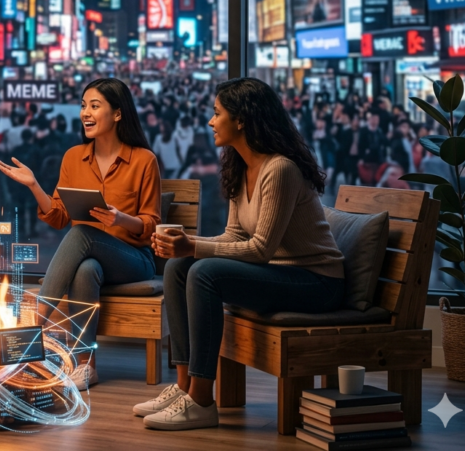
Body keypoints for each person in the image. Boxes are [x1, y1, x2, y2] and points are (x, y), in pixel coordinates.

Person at [136, 77, 344, 431]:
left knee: (204, 273)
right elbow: (234, 235)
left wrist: (193, 245)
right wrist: (186, 245)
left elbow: (261, 248)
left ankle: (201, 400)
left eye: (217, 114)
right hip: (279, 274)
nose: (210, 121)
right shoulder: (240, 164)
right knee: (179, 267)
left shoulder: (280, 169)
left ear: (241, 119)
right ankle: (185, 385)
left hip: (316, 282)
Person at [0, 78, 161, 390]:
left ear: (117, 114)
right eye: (84, 105)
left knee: (82, 233)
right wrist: (34, 186)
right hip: (92, 260)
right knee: (85, 270)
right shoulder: (74, 157)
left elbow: (151, 224)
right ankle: (86, 365)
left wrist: (120, 219)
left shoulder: (143, 160)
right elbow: (58, 216)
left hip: (134, 260)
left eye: (95, 106)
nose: (86, 112)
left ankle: (30, 329)